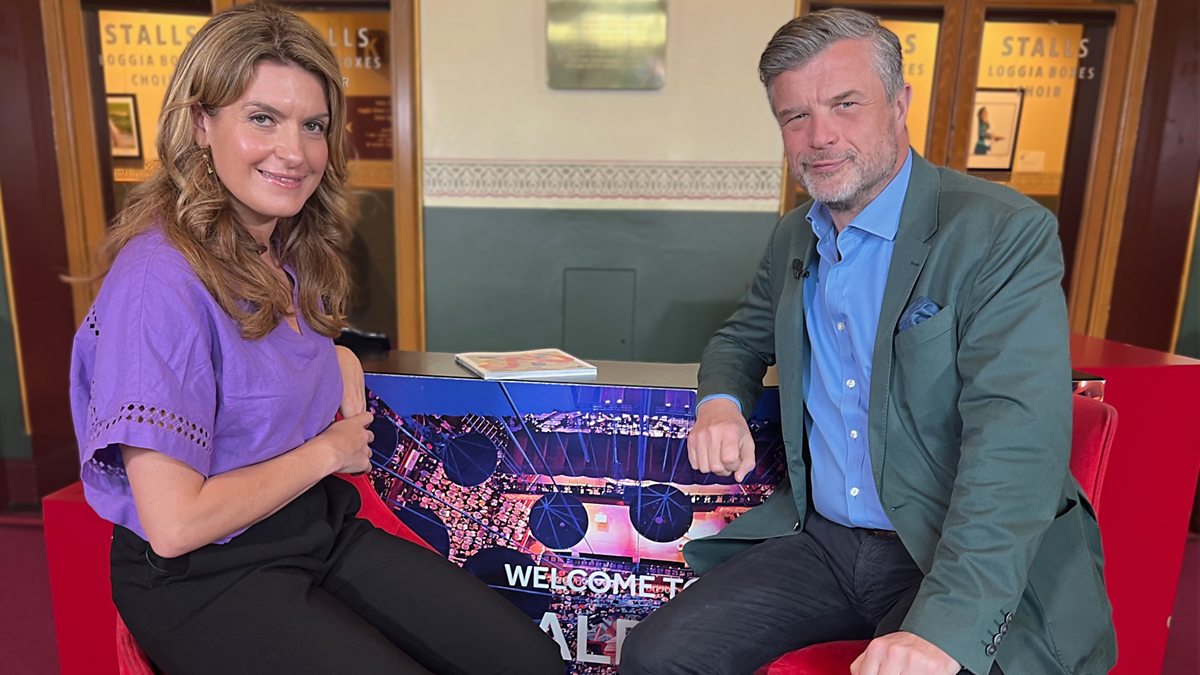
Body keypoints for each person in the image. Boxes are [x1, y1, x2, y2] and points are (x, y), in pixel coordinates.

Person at [68, 4, 562, 674]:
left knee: (526, 660)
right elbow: (176, 523)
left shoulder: (284, 249)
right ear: (201, 123)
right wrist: (328, 450)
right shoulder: (158, 280)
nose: (295, 152)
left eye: (313, 125)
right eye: (262, 118)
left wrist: (337, 355)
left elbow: (255, 364)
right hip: (203, 575)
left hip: (311, 528)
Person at [622, 9, 1114, 675]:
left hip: (945, 547)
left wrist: (943, 630)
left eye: (845, 104)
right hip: (824, 543)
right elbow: (742, 336)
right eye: (795, 116)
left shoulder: (1001, 232)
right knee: (657, 656)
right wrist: (720, 402)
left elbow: (1016, 444)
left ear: (899, 104)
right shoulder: (795, 234)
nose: (820, 135)